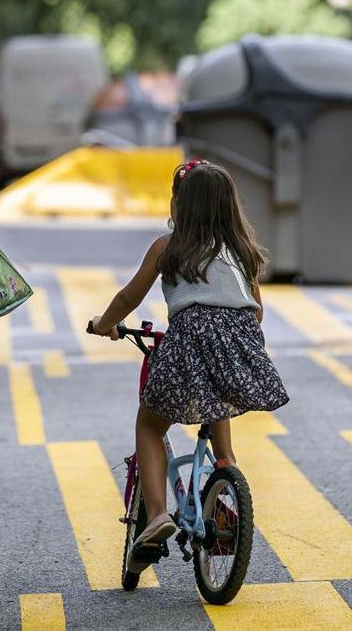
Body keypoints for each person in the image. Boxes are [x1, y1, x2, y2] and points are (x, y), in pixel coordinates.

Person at [90, 159, 289, 575]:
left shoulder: (168, 247)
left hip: (188, 338)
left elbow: (129, 299)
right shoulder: (242, 252)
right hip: (240, 343)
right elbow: (256, 311)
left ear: (180, 205)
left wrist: (104, 325)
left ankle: (159, 514)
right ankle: (225, 470)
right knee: (219, 415)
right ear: (229, 208)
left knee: (149, 425)